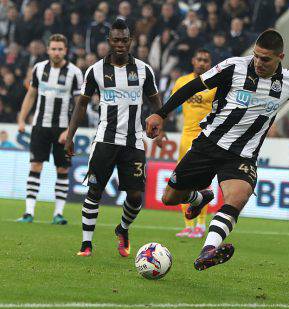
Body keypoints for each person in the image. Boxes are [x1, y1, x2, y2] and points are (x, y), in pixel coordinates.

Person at [145, 29, 289, 271]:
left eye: (265, 58)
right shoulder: (233, 67)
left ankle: (208, 249)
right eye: (256, 56)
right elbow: (193, 87)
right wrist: (161, 113)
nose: (258, 62)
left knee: (238, 196)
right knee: (170, 198)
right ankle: (200, 197)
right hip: (208, 144)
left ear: (280, 57)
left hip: (242, 155)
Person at [64, 20, 162, 257]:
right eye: (116, 40)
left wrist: (158, 121)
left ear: (131, 41)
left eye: (124, 40)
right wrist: (70, 135)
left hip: (133, 141)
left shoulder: (143, 70)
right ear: (109, 41)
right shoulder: (96, 70)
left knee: (136, 196)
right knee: (94, 191)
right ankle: (86, 244)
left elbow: (156, 100)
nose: (120, 44)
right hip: (105, 140)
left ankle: (123, 228)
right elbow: (81, 105)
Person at [16, 34, 83, 225]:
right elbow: (31, 95)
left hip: (63, 128)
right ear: (48, 50)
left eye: (60, 49)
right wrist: (21, 119)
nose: (56, 52)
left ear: (66, 50)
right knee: (35, 165)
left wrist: (70, 131)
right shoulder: (39, 68)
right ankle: (28, 212)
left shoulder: (75, 73)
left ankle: (58, 214)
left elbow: (80, 106)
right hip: (40, 126)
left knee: (62, 168)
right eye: (53, 48)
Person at [173, 49, 216, 239]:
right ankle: (188, 225)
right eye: (199, 59)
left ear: (210, 63)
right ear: (193, 60)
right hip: (185, 138)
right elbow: (172, 104)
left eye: (205, 60)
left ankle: (201, 225)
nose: (202, 63)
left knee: (202, 183)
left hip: (205, 139)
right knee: (182, 181)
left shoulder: (215, 84)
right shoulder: (182, 82)